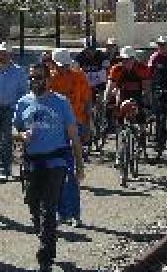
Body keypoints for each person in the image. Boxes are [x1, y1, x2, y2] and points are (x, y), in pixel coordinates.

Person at [14, 62, 85, 272]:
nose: (34, 81)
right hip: (31, 163)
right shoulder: (23, 103)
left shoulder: (61, 102)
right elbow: (13, 129)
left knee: (49, 207)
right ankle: (46, 236)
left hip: (56, 163)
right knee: (33, 205)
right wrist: (20, 135)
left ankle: (45, 257)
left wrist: (79, 166)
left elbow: (73, 136)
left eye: (38, 77)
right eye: (31, 77)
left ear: (48, 79)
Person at [47, 48, 91, 226]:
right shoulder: (49, 79)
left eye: (66, 65)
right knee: (56, 171)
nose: (63, 69)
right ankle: (61, 212)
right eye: (60, 66)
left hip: (75, 125)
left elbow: (87, 101)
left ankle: (74, 213)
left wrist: (88, 124)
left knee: (71, 172)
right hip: (55, 129)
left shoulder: (80, 77)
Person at [0, 44, 27, 182]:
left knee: (6, 139)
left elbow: (24, 92)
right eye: (0, 53)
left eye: (5, 53)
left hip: (11, 109)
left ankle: (4, 169)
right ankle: (7, 161)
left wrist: (19, 108)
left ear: (10, 55)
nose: (2, 56)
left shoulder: (19, 71)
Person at [76, 40, 112, 135]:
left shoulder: (102, 56)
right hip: (86, 85)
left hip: (99, 83)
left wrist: (105, 87)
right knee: (85, 104)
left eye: (92, 50)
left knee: (101, 101)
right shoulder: (80, 57)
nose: (90, 53)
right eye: (87, 50)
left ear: (96, 49)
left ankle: (102, 119)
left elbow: (107, 73)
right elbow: (75, 72)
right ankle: (87, 123)